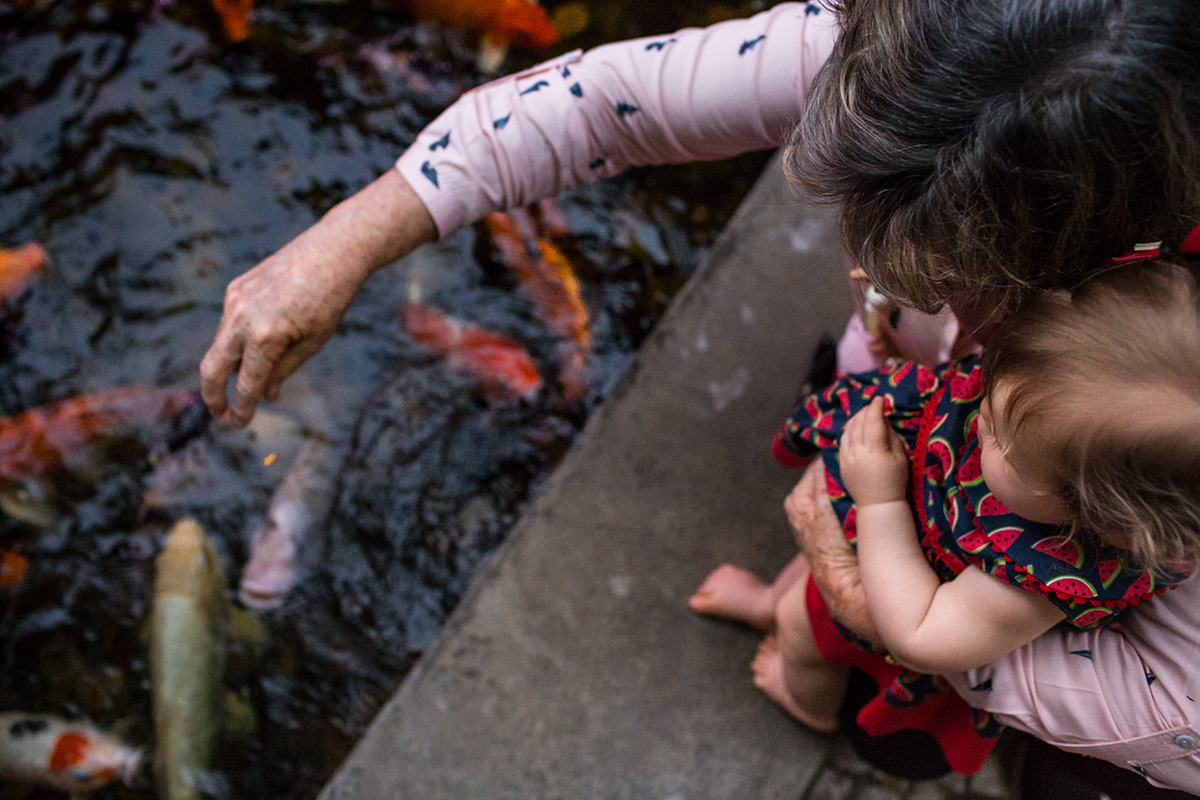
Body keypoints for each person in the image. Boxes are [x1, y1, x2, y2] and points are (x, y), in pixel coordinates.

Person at [198, 0, 1200, 793]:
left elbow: (1181, 710)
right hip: (920, 451)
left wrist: (924, 634)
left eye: (957, 278)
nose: (882, 280)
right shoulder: (923, 57)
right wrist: (349, 236)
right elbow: (603, 101)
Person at [690, 255, 1200, 777]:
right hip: (917, 519)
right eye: (991, 388)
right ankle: (765, 603)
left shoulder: (1045, 576)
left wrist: (879, 503)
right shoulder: (1054, 414)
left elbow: (920, 631)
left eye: (1004, 441)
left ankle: (806, 701)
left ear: (1104, 518)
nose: (980, 421)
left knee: (804, 626)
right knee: (812, 549)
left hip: (898, 590)